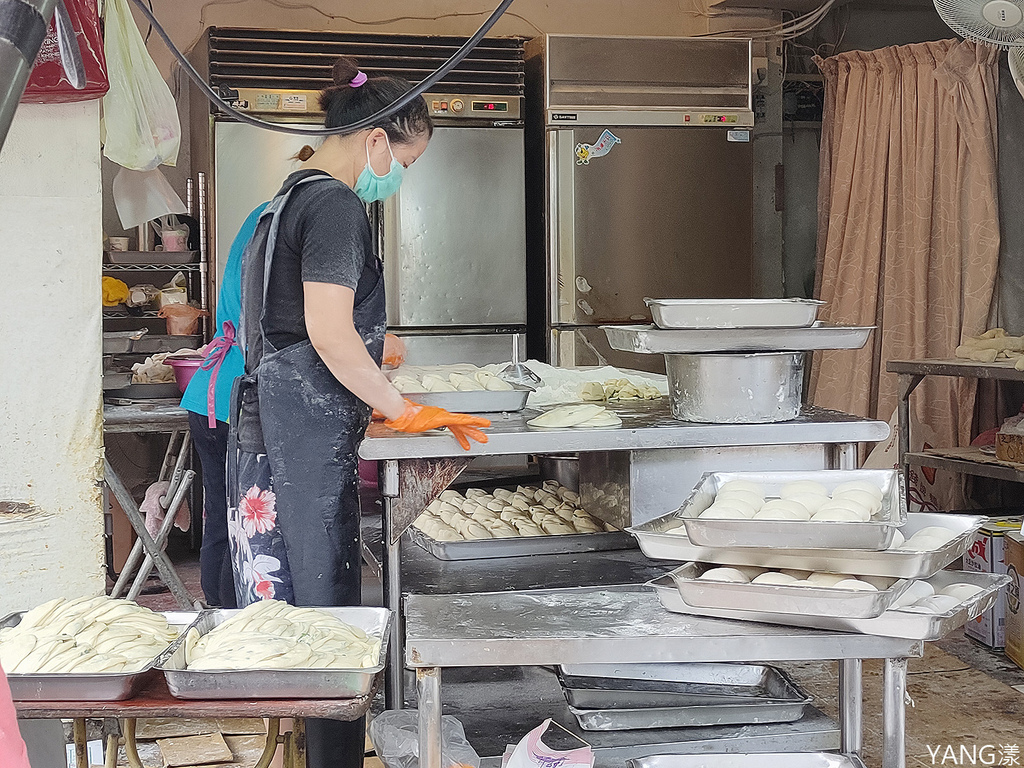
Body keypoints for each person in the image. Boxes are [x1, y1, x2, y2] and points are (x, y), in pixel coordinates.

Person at [229, 57, 490, 768]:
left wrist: (368, 403)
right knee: (325, 632)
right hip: (298, 452)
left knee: (295, 633)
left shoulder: (290, 196)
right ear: (377, 138)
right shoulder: (337, 205)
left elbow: (290, 334)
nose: (399, 176)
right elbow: (329, 332)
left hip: (272, 438)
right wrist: (401, 409)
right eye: (405, 158)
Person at [180, 203, 268, 608]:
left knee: (222, 513)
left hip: (211, 393)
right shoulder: (278, 224)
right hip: (234, 397)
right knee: (244, 521)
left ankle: (217, 611)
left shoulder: (258, 217)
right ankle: (232, 617)